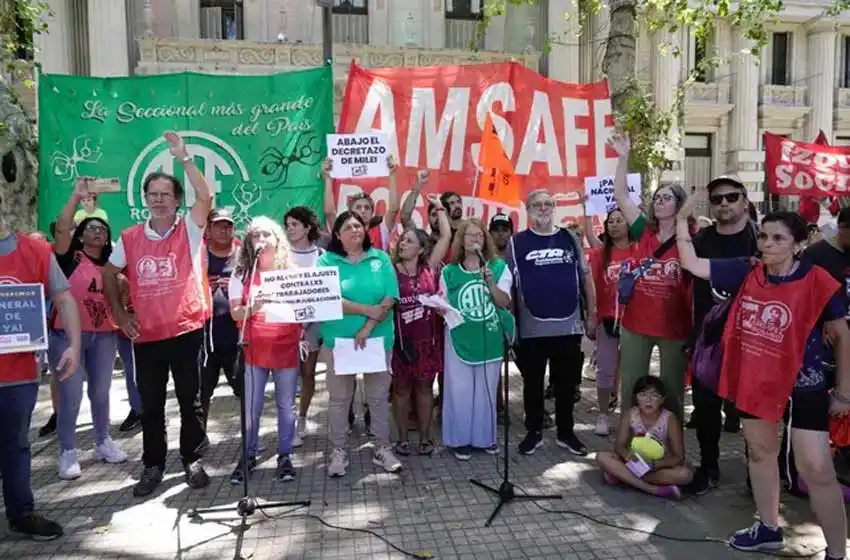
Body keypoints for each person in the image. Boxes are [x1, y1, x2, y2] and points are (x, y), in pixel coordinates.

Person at [676, 207, 850, 558]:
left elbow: (843, 334)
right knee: (759, 453)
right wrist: (682, 221)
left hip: (806, 383)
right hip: (756, 380)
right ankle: (769, 529)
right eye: (764, 236)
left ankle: (836, 552)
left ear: (798, 245)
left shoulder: (818, 280)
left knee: (815, 467)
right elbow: (693, 265)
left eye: (778, 238)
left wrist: (844, 392)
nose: (767, 244)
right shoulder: (748, 270)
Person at [102, 131, 213, 497]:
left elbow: (206, 195)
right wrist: (120, 316)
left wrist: (182, 157)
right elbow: (108, 272)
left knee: (190, 400)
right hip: (146, 335)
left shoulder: (191, 229)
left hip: (186, 330)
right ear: (145, 200)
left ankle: (192, 458)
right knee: (151, 405)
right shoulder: (130, 236)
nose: (159, 201)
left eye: (166, 195)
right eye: (153, 195)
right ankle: (153, 465)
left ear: (177, 201)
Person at [0, 218, 80, 539]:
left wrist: (74, 345)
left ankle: (21, 513)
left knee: (16, 444)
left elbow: (64, 298)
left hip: (18, 374)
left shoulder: (36, 250)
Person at [508, 189, 596, 457]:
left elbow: (586, 277)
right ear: (528, 208)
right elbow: (510, 285)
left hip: (568, 326)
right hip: (531, 327)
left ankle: (566, 433)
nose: (544, 208)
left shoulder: (569, 237)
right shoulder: (516, 242)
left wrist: (592, 313)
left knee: (567, 384)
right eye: (537, 204)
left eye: (548, 203)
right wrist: (511, 326)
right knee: (533, 383)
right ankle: (533, 432)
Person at [610, 134, 692, 419]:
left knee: (672, 391)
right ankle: (627, 441)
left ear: (678, 205)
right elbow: (620, 195)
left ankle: (673, 447)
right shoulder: (643, 229)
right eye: (656, 197)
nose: (659, 201)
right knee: (631, 387)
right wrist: (623, 157)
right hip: (636, 324)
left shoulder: (690, 237)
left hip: (674, 327)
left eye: (666, 198)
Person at [50, 180, 127, 479]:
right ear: (80, 235)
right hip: (67, 336)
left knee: (101, 391)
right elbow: (62, 229)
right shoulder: (68, 257)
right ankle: (67, 451)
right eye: (91, 228)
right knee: (70, 394)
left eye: (103, 229)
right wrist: (75, 197)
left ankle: (102, 441)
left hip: (104, 334)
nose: (98, 231)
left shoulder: (112, 263)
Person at [317, 211, 402, 477]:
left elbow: (390, 297)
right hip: (338, 342)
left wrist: (367, 327)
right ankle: (339, 451)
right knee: (340, 400)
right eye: (348, 227)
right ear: (338, 235)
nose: (355, 229)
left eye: (358, 225)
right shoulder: (326, 261)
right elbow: (328, 298)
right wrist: (366, 308)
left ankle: (382, 448)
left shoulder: (381, 258)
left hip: (377, 340)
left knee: (377, 399)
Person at [686, 176, 756, 495]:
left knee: (753, 412)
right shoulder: (701, 241)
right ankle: (709, 466)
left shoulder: (761, 238)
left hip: (754, 341)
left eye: (731, 197)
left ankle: (758, 473)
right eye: (717, 199)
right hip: (709, 340)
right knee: (706, 408)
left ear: (744, 200)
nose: (724, 203)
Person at [227, 217, 302, 484]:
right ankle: (248, 454)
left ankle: (285, 455)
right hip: (254, 348)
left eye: (266, 235)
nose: (261, 240)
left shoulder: (292, 273)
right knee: (252, 405)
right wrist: (253, 307)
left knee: (286, 405)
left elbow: (307, 309)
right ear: (248, 242)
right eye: (255, 236)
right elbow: (235, 312)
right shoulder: (242, 274)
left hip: (285, 346)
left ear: (277, 240)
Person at [441, 218, 514, 460]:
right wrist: (440, 308)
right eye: (470, 235)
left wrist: (491, 282)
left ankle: (485, 438)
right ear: (461, 240)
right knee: (459, 390)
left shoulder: (498, 267)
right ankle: (460, 440)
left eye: (480, 235)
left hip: (489, 338)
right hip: (458, 337)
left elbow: (504, 302)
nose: (475, 240)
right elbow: (443, 301)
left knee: (486, 390)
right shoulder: (449, 271)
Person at [391, 196, 452, 456]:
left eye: (409, 241)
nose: (403, 243)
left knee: (425, 389)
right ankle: (403, 438)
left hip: (427, 341)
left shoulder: (429, 268)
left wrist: (439, 206)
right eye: (402, 240)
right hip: (400, 343)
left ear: (421, 249)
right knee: (401, 389)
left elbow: (447, 235)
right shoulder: (389, 269)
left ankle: (426, 438)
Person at [596, 376, 693, 498]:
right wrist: (628, 456)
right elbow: (619, 446)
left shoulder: (669, 419)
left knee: (685, 474)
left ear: (662, 399)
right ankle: (652, 489)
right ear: (636, 398)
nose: (648, 400)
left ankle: (622, 477)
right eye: (643, 394)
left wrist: (656, 464)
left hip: (658, 465)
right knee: (602, 457)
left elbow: (678, 456)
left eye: (654, 395)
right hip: (633, 463)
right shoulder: (630, 414)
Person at [587, 208, 635, 436]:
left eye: (619, 220)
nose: (614, 225)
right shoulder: (600, 254)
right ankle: (604, 414)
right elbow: (593, 287)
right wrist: (592, 316)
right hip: (607, 320)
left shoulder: (640, 251)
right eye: (611, 222)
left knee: (632, 370)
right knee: (605, 370)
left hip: (636, 321)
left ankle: (630, 417)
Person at [284, 205, 325, 446]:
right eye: (287, 225)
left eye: (295, 225)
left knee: (307, 371)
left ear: (308, 227)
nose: (290, 230)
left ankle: (302, 416)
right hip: (287, 321)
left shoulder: (321, 255)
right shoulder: (280, 254)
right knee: (287, 372)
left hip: (313, 321)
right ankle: (287, 419)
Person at [200, 208, 241, 429]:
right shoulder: (198, 254)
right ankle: (198, 440)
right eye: (218, 225)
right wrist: (206, 286)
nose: (224, 230)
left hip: (236, 337)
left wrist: (236, 290)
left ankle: (249, 439)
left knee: (244, 390)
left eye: (228, 226)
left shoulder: (243, 254)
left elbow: (257, 288)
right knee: (201, 392)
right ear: (208, 229)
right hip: (205, 338)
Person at [322, 156, 399, 251]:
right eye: (358, 207)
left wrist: (392, 174)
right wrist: (328, 178)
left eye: (367, 208)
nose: (363, 211)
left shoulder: (381, 231)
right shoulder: (342, 230)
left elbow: (393, 209)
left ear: (372, 214)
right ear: (350, 212)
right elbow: (330, 213)